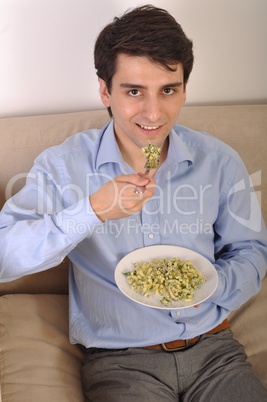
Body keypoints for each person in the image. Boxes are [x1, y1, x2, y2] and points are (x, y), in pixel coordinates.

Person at [0, 4, 267, 401]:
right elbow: (5, 256)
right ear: (106, 91)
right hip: (121, 361)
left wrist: (211, 287)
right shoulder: (63, 165)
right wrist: (91, 211)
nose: (153, 113)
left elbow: (251, 251)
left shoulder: (219, 161)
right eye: (134, 91)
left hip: (215, 351)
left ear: (184, 89)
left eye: (168, 90)